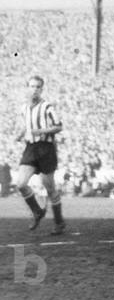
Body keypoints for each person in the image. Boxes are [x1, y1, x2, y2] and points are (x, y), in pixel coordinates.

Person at [14, 76, 66, 234]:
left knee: (49, 188)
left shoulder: (47, 107)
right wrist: (19, 135)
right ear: (27, 88)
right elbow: (26, 126)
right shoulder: (24, 108)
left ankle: (59, 222)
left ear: (41, 89)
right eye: (32, 86)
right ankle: (37, 211)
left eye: (37, 87)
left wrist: (40, 131)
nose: (34, 89)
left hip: (46, 149)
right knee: (21, 184)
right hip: (30, 148)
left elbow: (58, 127)